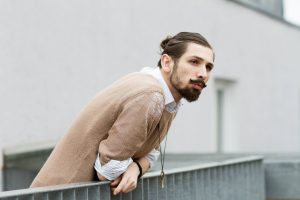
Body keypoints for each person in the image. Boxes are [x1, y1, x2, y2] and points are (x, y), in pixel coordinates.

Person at [30, 32, 215, 195]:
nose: (203, 73)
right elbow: (109, 170)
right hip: (62, 193)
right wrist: (136, 168)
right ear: (167, 62)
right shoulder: (150, 96)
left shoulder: (168, 100)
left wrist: (135, 167)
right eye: (194, 62)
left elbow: (152, 152)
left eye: (208, 67)